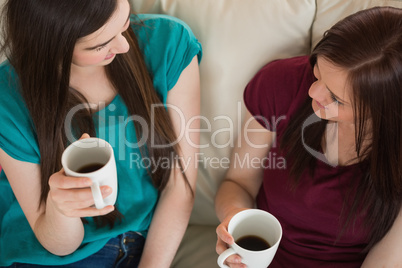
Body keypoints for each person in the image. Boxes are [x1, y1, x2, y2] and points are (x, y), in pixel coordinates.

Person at [0, 0, 201, 267]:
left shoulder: (169, 43)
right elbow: (58, 244)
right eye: (99, 45)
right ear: (52, 46)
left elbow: (181, 185)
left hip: (137, 243)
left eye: (125, 22)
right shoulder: (8, 98)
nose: (124, 46)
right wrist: (62, 209)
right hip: (46, 254)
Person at [215, 6, 402, 268]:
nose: (313, 92)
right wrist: (236, 219)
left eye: (336, 99)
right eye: (317, 72)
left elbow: (384, 262)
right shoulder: (281, 83)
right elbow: (238, 182)